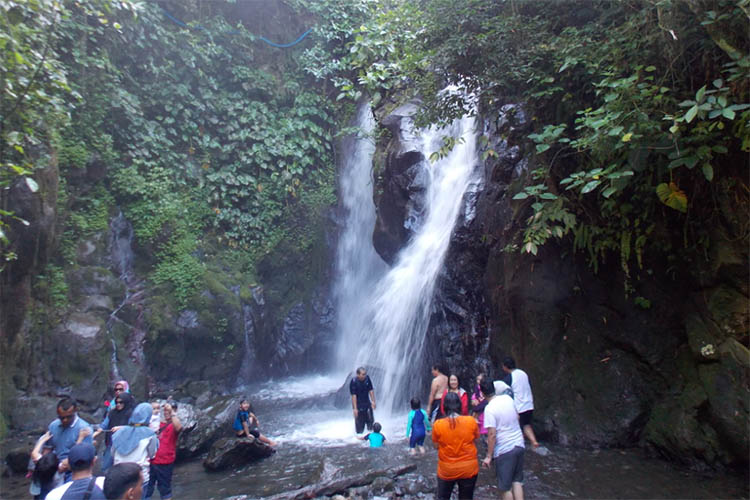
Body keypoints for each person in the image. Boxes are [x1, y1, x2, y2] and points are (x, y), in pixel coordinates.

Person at [481, 379, 525, 500]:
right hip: (519, 444)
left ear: (482, 394)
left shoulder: (489, 409)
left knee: (505, 488)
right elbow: (517, 416)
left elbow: (492, 434)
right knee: (517, 481)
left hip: (505, 450)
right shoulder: (508, 399)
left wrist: (489, 456)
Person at [431, 392, 479, 500]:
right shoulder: (471, 421)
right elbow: (476, 438)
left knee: (443, 497)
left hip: (447, 469)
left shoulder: (438, 424)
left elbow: (435, 445)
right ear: (460, 405)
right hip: (469, 468)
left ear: (444, 406)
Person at [112, 402, 159, 496]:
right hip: (139, 476)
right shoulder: (150, 434)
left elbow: (112, 453)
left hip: (118, 476)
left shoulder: (118, 433)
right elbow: (152, 454)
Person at [48, 397, 94, 479]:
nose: (65, 420)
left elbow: (84, 456)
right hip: (54, 467)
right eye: (62, 417)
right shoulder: (53, 426)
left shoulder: (84, 429)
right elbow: (48, 449)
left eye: (69, 417)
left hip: (74, 470)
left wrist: (65, 465)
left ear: (75, 411)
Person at [145, 401, 182, 500]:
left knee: (165, 491)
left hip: (165, 462)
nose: (166, 412)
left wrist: (172, 412)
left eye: (168, 410)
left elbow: (179, 428)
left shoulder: (174, 424)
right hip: (150, 461)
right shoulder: (157, 423)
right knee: (146, 490)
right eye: (165, 410)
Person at [501, 357, 539, 448]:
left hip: (519, 406)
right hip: (529, 404)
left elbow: (502, 388)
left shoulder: (510, 377)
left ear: (506, 367)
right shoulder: (523, 373)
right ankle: (534, 441)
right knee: (526, 425)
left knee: (517, 426)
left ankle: (518, 443)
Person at [96, 392, 136, 473]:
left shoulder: (132, 413)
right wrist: (97, 431)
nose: (118, 404)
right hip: (111, 443)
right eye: (116, 402)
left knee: (122, 469)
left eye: (121, 402)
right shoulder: (112, 412)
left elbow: (134, 428)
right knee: (105, 467)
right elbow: (104, 425)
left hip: (125, 445)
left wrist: (121, 428)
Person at [28, 431, 62, 500]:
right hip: (53, 492)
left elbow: (34, 453)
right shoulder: (59, 471)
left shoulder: (40, 465)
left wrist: (43, 439)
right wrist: (80, 438)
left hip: (39, 489)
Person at [349, 367, 376, 434]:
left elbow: (371, 390)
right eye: (363, 374)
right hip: (358, 406)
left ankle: (371, 439)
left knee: (371, 424)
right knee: (359, 429)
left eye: (365, 374)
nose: (364, 375)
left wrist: (373, 401)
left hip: (367, 404)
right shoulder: (354, 381)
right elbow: (353, 396)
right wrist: (355, 409)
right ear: (358, 375)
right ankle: (360, 441)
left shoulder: (367, 379)